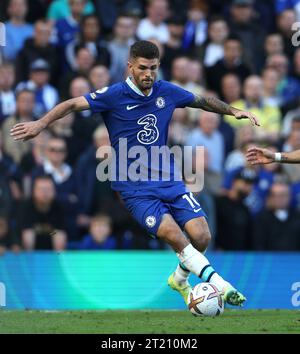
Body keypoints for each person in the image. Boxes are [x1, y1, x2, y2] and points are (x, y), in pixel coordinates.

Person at [10, 40, 260, 308]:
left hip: (169, 180)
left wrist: (233, 110)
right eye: (142, 68)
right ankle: (220, 285)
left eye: (153, 68)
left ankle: (179, 279)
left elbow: (202, 101)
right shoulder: (114, 95)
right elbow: (71, 104)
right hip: (135, 188)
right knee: (174, 236)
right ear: (130, 66)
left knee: (201, 237)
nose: (148, 74)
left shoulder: (166, 91)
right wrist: (40, 123)